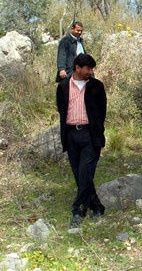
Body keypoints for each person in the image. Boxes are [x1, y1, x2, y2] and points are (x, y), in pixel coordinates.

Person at [56, 53, 106, 227]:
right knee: (79, 175)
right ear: (78, 68)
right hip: (70, 135)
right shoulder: (63, 86)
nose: (91, 72)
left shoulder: (97, 86)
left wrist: (98, 131)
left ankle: (78, 210)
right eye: (88, 68)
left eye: (92, 69)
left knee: (85, 173)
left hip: (89, 136)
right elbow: (61, 110)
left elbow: (102, 111)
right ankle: (97, 207)